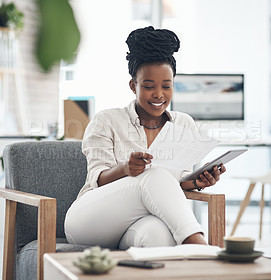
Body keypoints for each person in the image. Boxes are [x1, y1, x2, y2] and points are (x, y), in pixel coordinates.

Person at [64, 26, 226, 249]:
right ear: (133, 86)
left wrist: (195, 182)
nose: (159, 94)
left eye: (167, 86)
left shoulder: (184, 123)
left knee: (158, 236)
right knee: (153, 175)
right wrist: (126, 169)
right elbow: (97, 179)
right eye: (149, 86)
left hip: (140, 221)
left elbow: (172, 187)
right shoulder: (106, 120)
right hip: (90, 221)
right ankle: (200, 246)